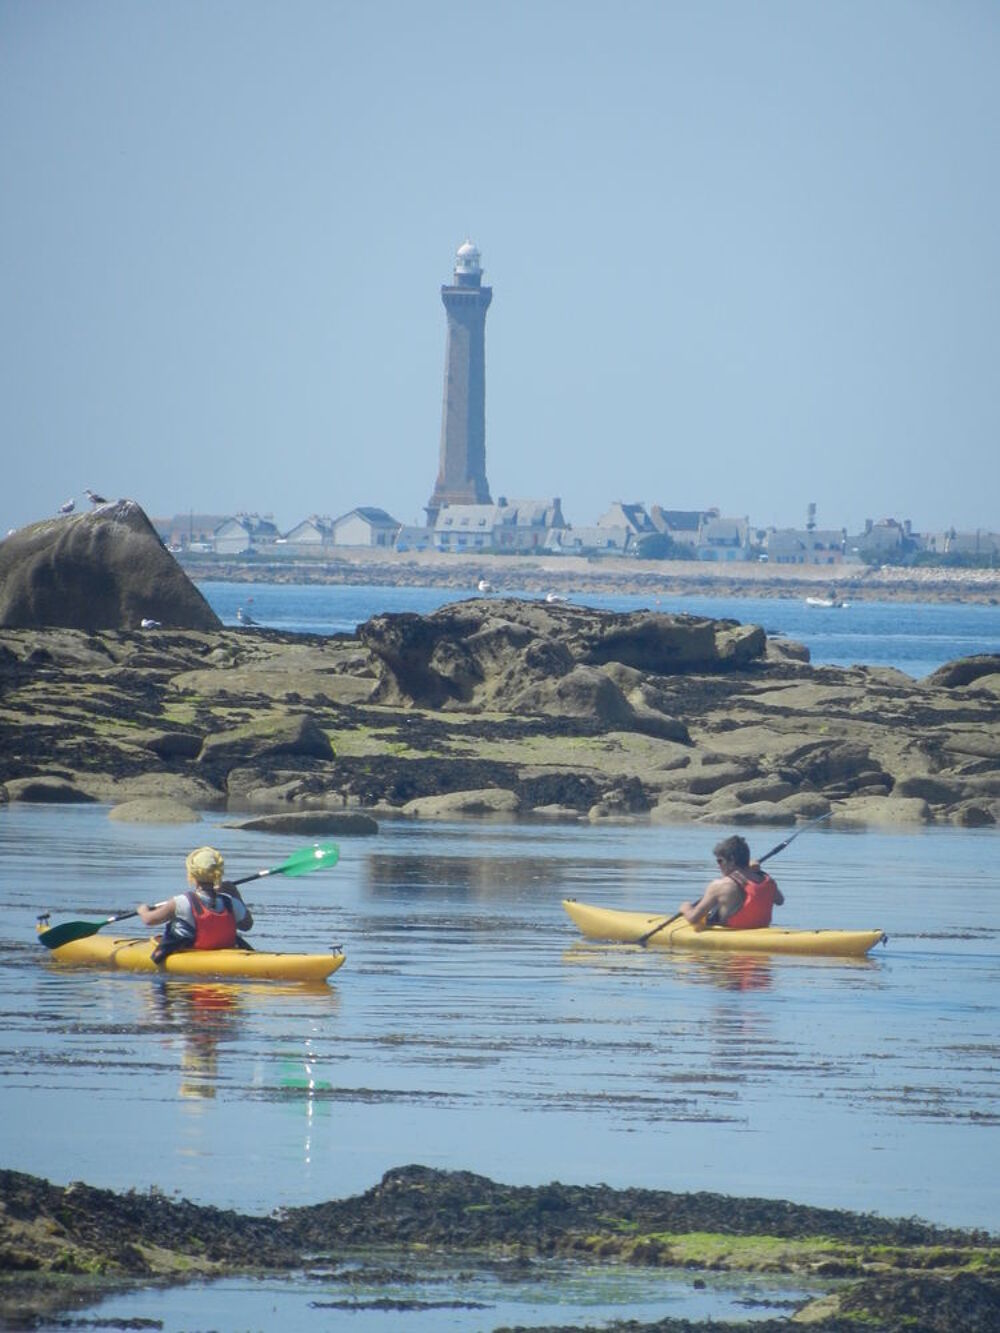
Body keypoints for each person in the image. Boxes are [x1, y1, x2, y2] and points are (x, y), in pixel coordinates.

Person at [137, 846, 253, 963]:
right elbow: (247, 926)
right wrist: (235, 894)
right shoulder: (231, 902)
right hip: (226, 956)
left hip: (192, 955)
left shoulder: (180, 902)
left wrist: (143, 910)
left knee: (175, 932)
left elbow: (149, 920)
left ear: (192, 875)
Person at [679, 835, 784, 930]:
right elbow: (780, 900)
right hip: (761, 932)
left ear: (732, 860)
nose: (718, 865)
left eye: (720, 861)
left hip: (731, 937)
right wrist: (757, 871)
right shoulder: (766, 880)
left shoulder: (719, 886)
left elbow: (693, 918)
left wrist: (685, 907)